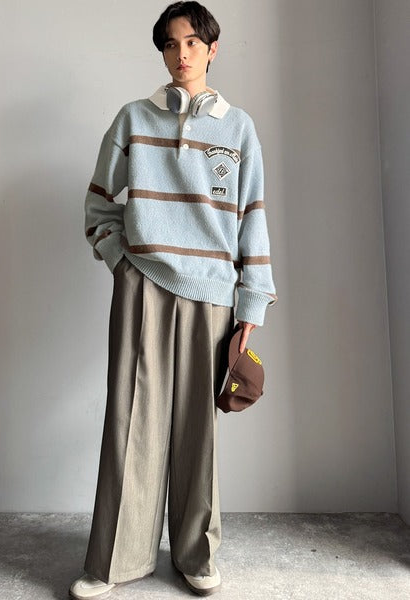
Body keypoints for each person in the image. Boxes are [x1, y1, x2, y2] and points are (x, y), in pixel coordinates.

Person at [69, 2, 277, 598]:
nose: (180, 54)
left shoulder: (239, 129)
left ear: (212, 48)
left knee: (198, 433)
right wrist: (122, 261)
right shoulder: (134, 118)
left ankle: (196, 555)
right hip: (143, 286)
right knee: (129, 421)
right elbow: (99, 204)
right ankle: (113, 560)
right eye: (169, 44)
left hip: (213, 294)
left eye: (191, 42)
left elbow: (252, 220)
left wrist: (251, 306)